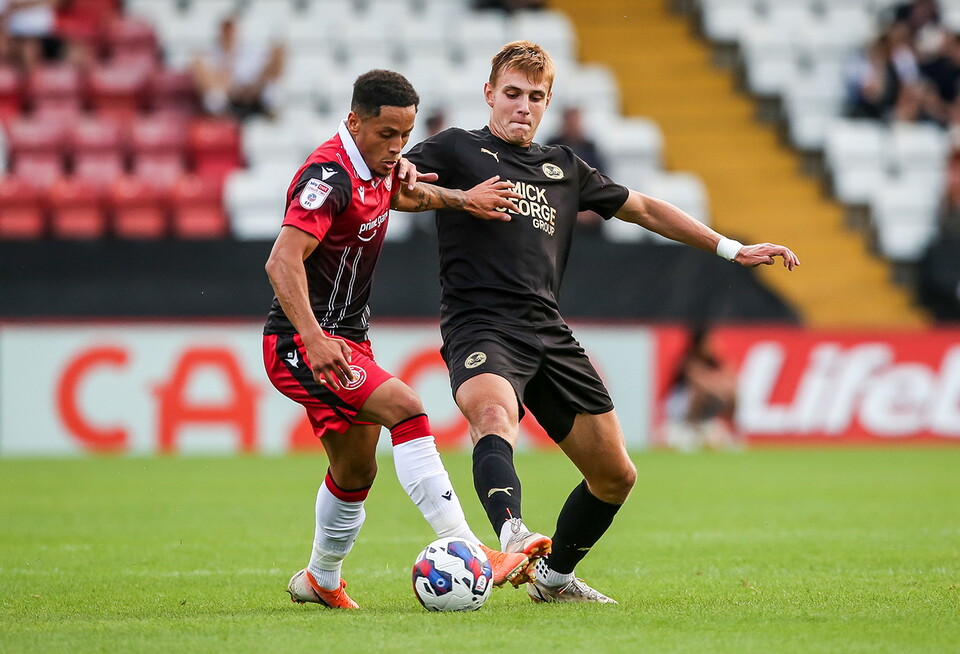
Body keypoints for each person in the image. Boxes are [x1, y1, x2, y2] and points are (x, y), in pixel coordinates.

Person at [403, 41, 800, 604]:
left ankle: (555, 580)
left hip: (548, 330)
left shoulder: (562, 167)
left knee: (616, 475)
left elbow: (644, 208)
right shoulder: (457, 149)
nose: (523, 106)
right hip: (482, 324)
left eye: (535, 97)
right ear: (489, 94)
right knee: (493, 415)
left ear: (547, 103)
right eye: (512, 93)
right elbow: (399, 189)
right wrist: (460, 198)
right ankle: (511, 534)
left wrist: (730, 248)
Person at [262, 69, 529, 609]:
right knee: (407, 408)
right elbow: (282, 259)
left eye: (404, 136)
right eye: (386, 135)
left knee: (356, 468)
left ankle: (320, 579)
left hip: (348, 342)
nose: (397, 148)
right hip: (301, 344)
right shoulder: (329, 175)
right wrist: (312, 338)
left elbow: (399, 197)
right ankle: (472, 544)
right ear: (354, 120)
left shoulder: (376, 168)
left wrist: (462, 199)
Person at [660, 326, 740, 452]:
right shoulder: (688, 361)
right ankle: (690, 429)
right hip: (679, 405)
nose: (713, 345)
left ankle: (733, 432)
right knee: (699, 393)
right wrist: (719, 387)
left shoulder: (715, 362)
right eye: (709, 342)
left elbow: (730, 382)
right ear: (699, 344)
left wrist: (722, 388)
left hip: (705, 404)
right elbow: (701, 384)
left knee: (732, 394)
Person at [191, 14, 284, 120]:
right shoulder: (208, 57)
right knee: (215, 98)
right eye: (227, 31)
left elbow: (259, 80)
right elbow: (221, 89)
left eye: (232, 30)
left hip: (252, 99)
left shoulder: (251, 53)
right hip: (228, 104)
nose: (230, 35)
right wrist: (229, 57)